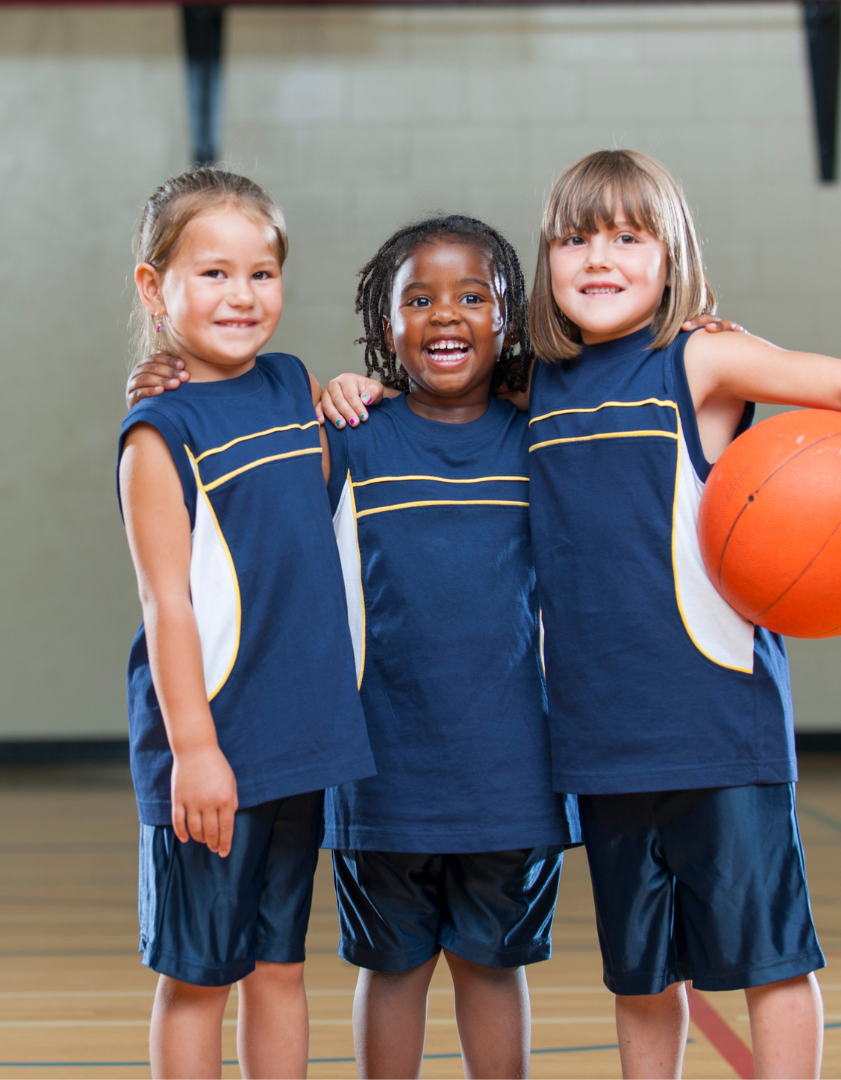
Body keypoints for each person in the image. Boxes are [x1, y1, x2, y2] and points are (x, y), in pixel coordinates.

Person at [518, 149, 841, 1080]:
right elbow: (427, 387)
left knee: (770, 958)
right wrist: (347, 391)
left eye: (627, 238)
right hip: (597, 738)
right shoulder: (535, 387)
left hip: (718, 724)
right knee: (639, 978)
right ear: (546, 263)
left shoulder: (700, 358)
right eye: (574, 239)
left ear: (671, 260)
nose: (598, 259)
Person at [118, 167, 374, 1080]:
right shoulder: (158, 432)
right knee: (199, 977)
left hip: (300, 741)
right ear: (157, 288)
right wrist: (195, 748)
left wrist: (348, 388)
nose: (242, 294)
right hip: (212, 752)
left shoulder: (290, 384)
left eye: (261, 273)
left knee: (279, 968)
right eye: (214, 272)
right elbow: (167, 603)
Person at [321, 216, 579, 1079]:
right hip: (382, 769)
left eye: (474, 296)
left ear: (509, 318)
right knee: (391, 970)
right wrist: (161, 377)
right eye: (419, 298)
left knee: (491, 968)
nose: (446, 315)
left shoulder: (540, 436)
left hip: (513, 772)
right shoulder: (352, 436)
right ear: (384, 326)